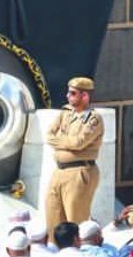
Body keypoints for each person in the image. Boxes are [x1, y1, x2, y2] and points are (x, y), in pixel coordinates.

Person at [44, 76, 103, 236]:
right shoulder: (66, 113)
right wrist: (68, 143)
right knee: (53, 219)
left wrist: (60, 142)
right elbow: (49, 135)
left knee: (76, 223)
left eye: (73, 93)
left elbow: (79, 143)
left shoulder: (93, 119)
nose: (67, 96)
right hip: (59, 171)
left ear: (85, 96)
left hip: (79, 172)